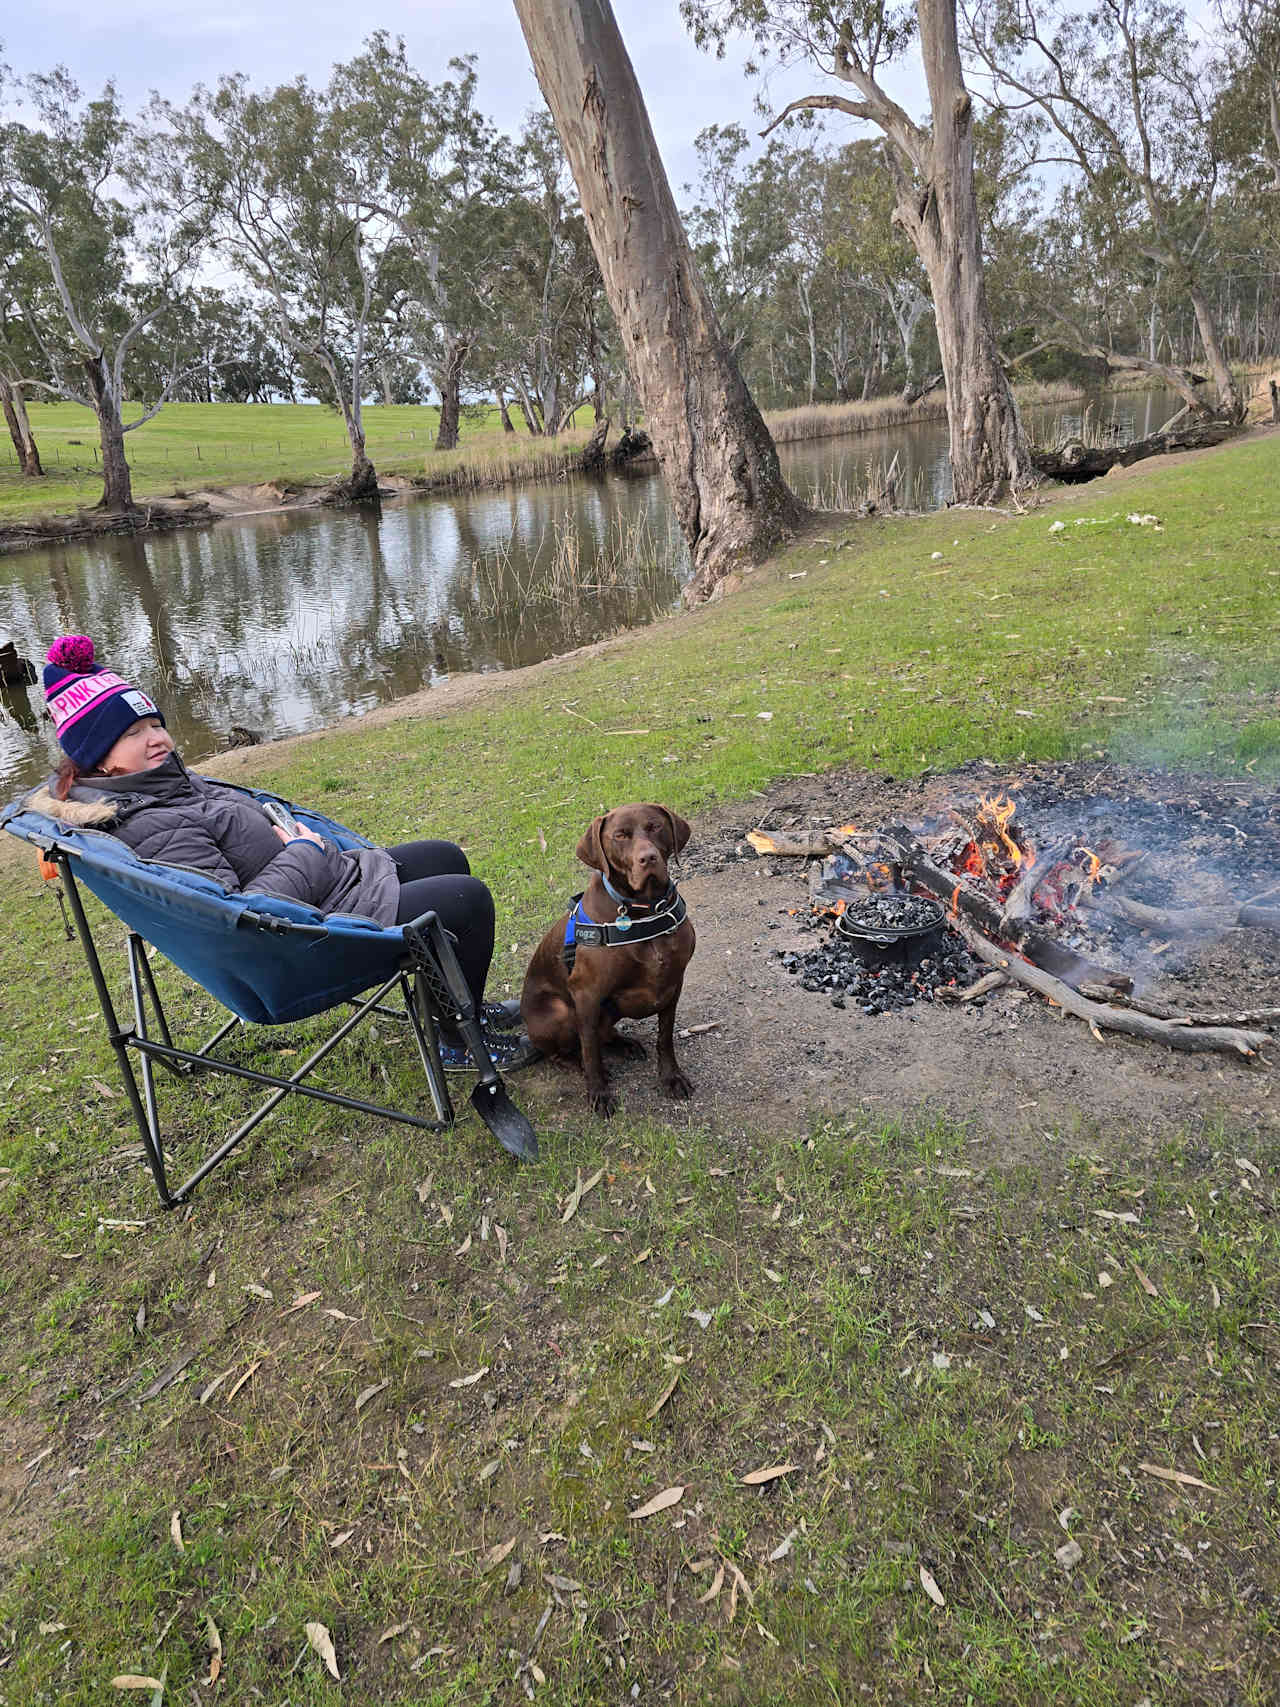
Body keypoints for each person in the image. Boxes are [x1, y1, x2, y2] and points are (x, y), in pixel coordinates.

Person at [28, 635, 533, 1071]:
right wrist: (306, 851)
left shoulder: (167, 784)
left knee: (444, 856)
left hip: (323, 889)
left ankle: (459, 1009)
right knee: (465, 900)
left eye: (154, 724)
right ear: (97, 756)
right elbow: (243, 913)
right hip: (302, 938)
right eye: (132, 734)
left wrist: (292, 841)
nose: (157, 738)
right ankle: (459, 1042)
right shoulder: (150, 822)